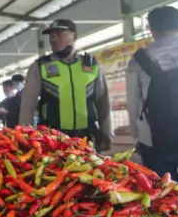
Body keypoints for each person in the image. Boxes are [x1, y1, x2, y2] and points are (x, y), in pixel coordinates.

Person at [19, 19, 113, 151]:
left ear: (74, 36)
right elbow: (27, 104)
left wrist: (107, 132)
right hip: (52, 138)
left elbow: (103, 101)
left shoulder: (91, 65)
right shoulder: (40, 66)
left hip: (87, 137)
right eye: (51, 36)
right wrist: (24, 136)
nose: (53, 39)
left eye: (58, 34)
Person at [126, 6, 178, 180]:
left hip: (155, 140)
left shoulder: (139, 60)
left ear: (152, 30)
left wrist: (137, 134)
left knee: (163, 195)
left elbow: (133, 103)